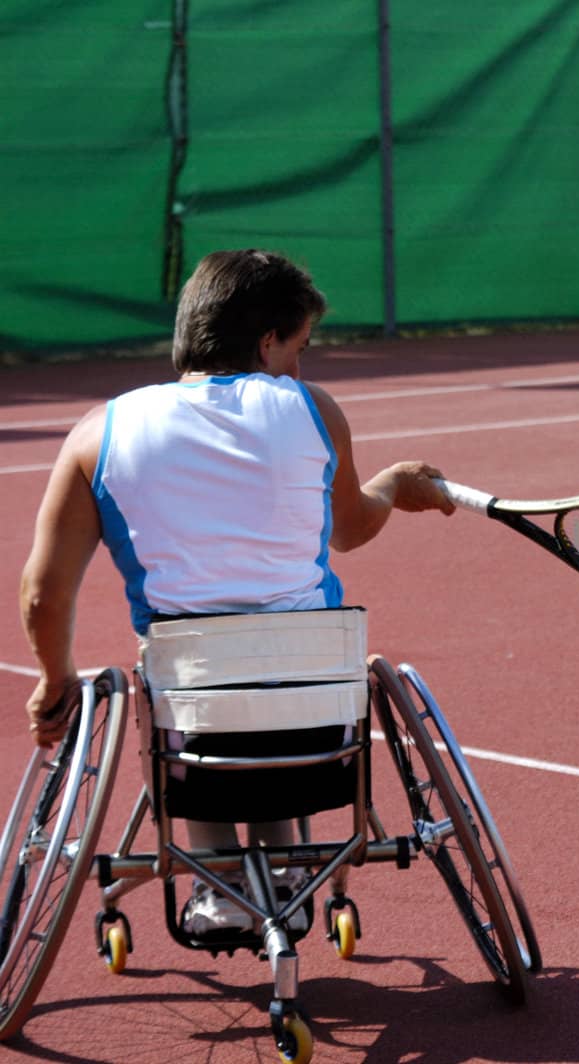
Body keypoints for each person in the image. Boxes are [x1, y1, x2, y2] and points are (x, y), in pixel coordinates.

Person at [18, 248, 457, 934]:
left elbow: (44, 595)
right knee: (276, 674)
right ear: (267, 341)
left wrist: (54, 682)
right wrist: (395, 488)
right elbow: (350, 530)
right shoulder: (311, 410)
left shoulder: (96, 433)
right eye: (300, 346)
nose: (302, 367)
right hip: (318, 726)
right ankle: (285, 872)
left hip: (190, 729)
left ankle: (219, 884)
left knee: (201, 690)